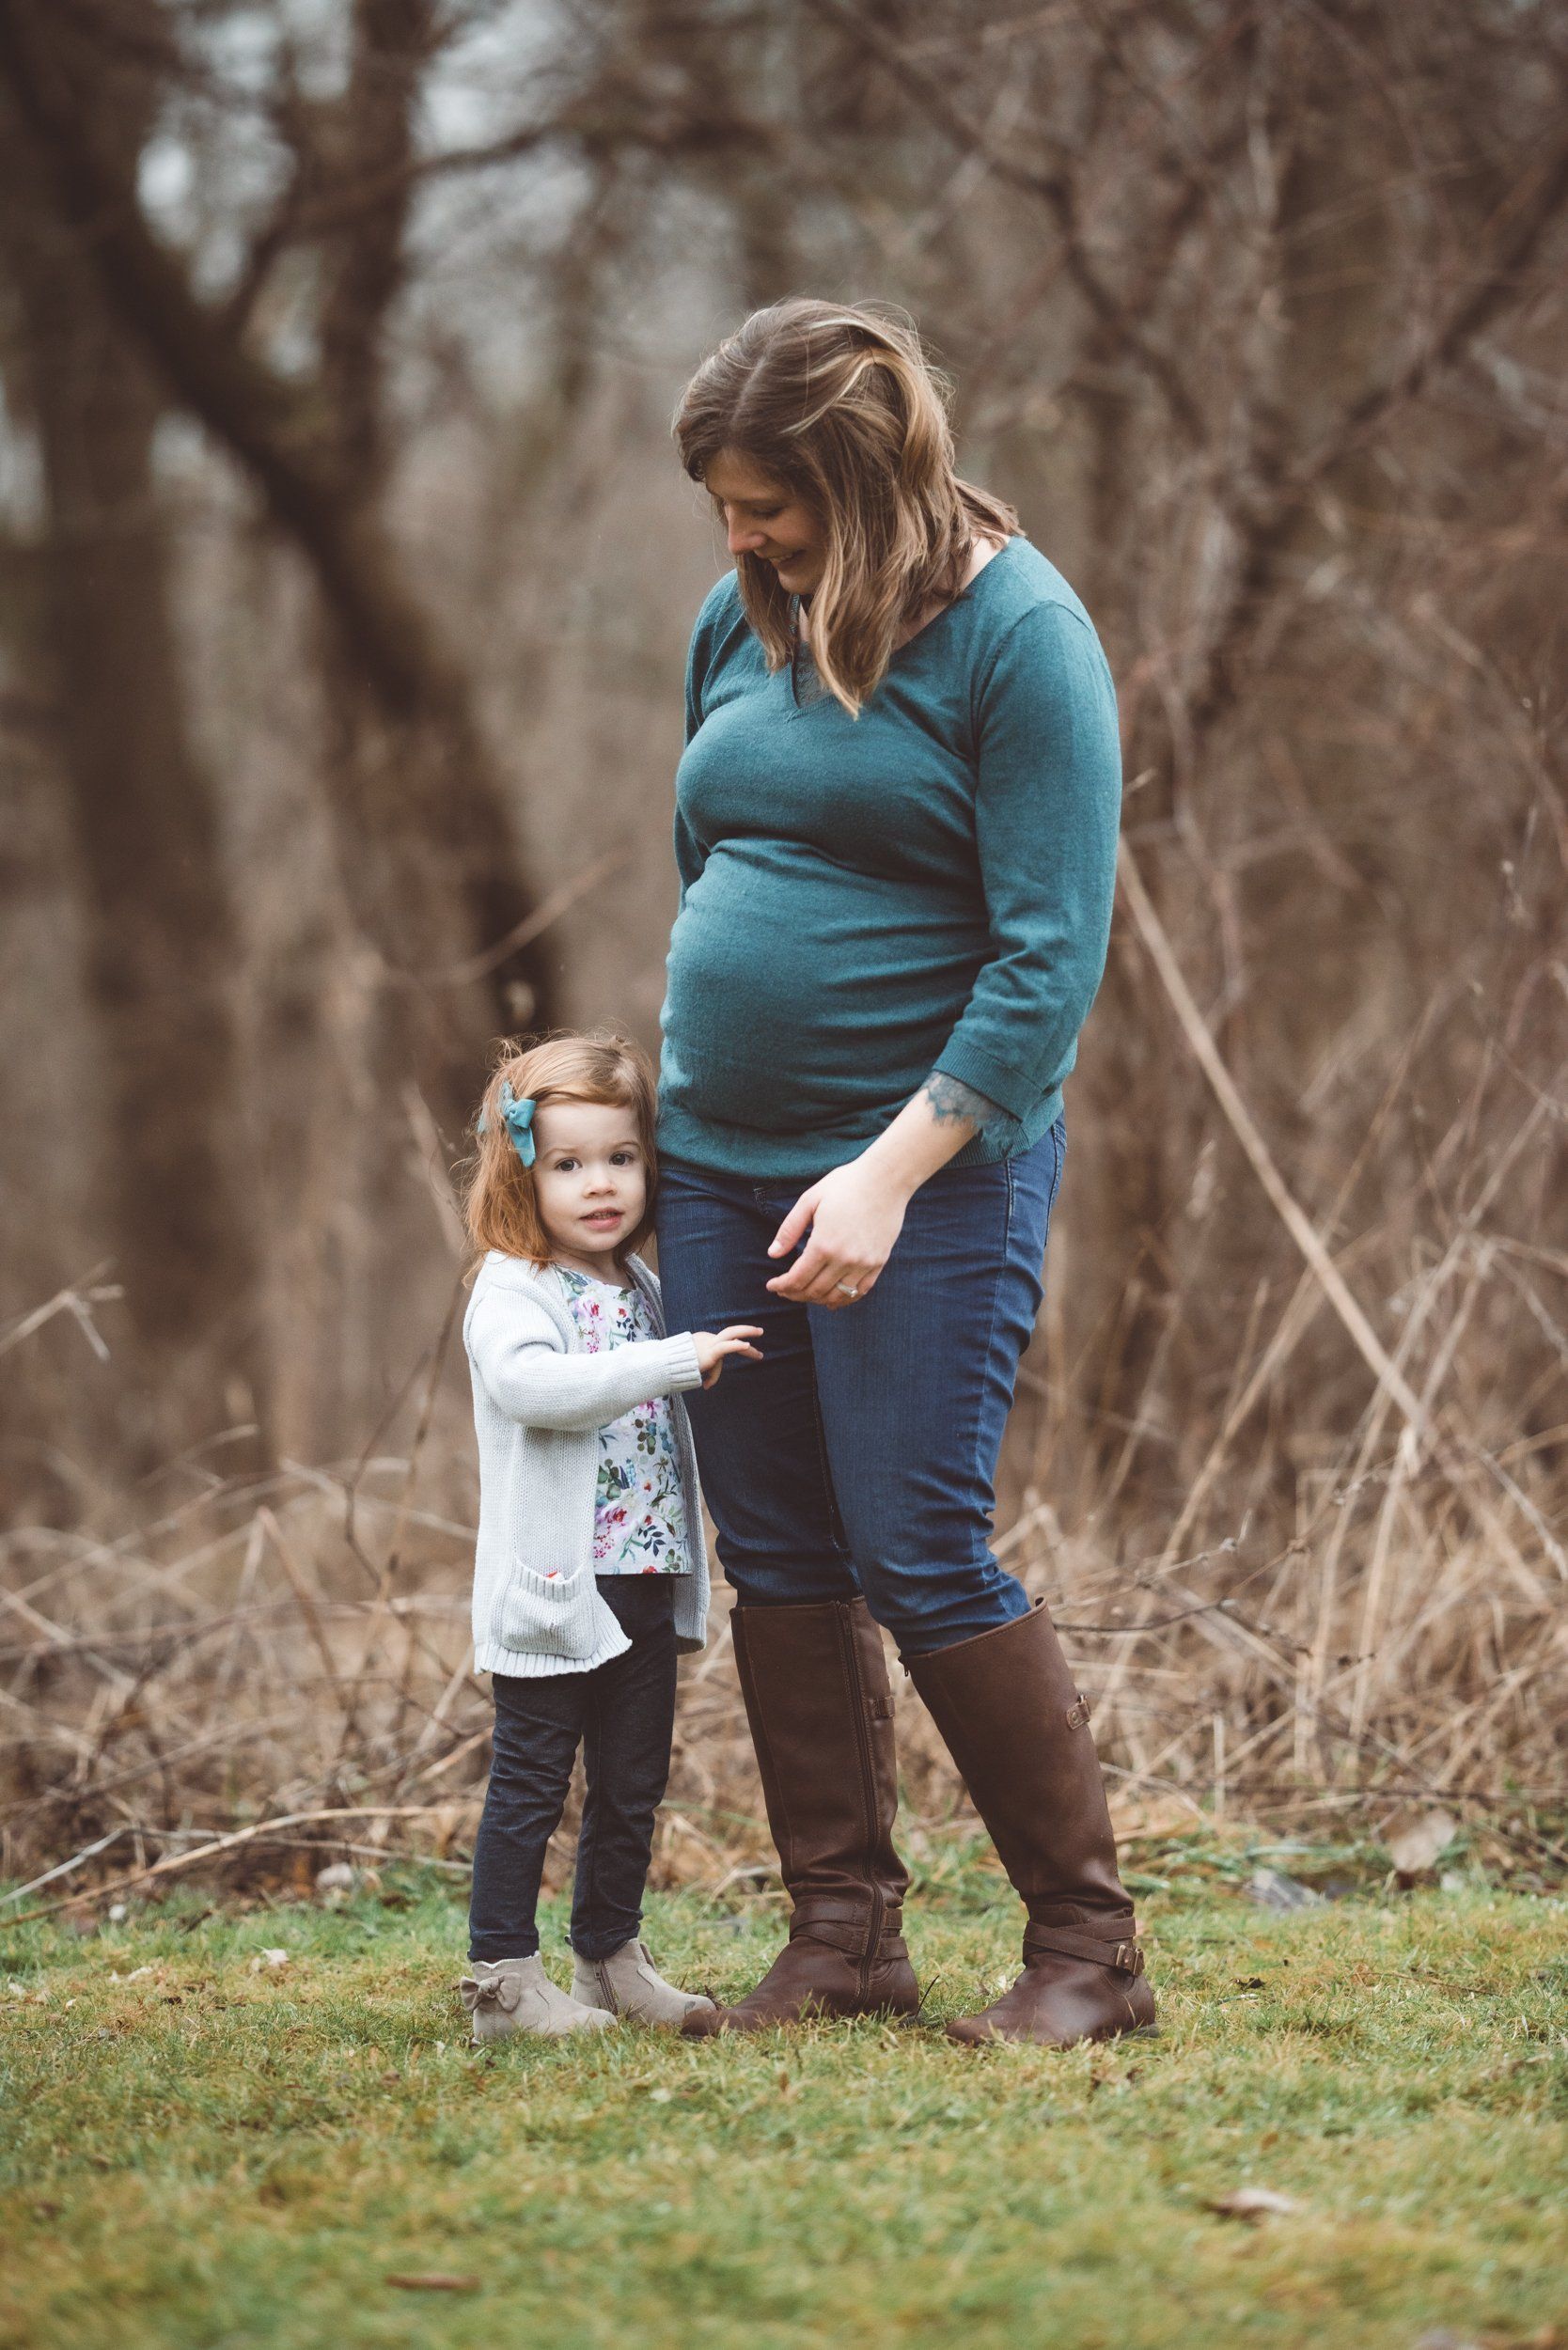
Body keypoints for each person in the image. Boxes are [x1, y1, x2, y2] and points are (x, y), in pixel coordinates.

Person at [652, 297, 1156, 2046]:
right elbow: (708, 852)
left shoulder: (1022, 640)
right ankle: (844, 1940)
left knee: (918, 1543)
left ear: (861, 477)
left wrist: (883, 1171)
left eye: (765, 503)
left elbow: (1046, 960)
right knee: (779, 1549)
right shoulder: (742, 615)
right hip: (713, 1164)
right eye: (722, 505)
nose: (737, 536)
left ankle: (1088, 1957)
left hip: (927, 1171)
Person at [455, 1031, 762, 2041]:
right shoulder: (516, 1286)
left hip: (643, 1574)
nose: (600, 1185)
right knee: (534, 1783)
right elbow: (530, 1387)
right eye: (568, 1164)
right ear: (523, 1171)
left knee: (632, 1782)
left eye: (620, 1159)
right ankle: (502, 1983)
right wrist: (673, 1360)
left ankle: (608, 1959)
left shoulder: (639, 1285)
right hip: (556, 1584)